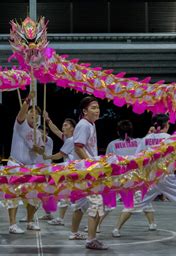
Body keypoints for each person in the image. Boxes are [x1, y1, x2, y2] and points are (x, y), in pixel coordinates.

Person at [112, 114, 176, 239]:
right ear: (165, 125)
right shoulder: (169, 138)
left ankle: (116, 229)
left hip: (150, 178)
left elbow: (138, 157)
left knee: (133, 203)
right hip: (166, 177)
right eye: (168, 124)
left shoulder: (146, 139)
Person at [67, 96, 108, 250]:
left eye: (97, 107)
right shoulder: (84, 125)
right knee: (97, 204)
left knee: (81, 204)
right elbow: (78, 147)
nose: (97, 110)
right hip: (87, 171)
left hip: (83, 170)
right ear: (84, 111)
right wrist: (92, 166)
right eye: (93, 107)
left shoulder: (90, 125)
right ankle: (91, 239)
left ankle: (74, 232)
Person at [107, 120, 157, 238]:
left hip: (119, 178)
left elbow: (108, 162)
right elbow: (147, 143)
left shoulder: (112, 144)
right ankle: (117, 228)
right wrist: (151, 133)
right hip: (136, 178)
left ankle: (152, 223)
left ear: (118, 131)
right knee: (137, 202)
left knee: (109, 203)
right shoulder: (139, 141)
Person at [6, 91, 44, 234]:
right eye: (31, 112)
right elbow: (21, 113)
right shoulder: (20, 125)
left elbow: (41, 151)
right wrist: (28, 100)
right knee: (13, 195)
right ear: (27, 113)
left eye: (36, 113)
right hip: (15, 164)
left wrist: (38, 149)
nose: (34, 115)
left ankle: (29, 221)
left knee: (34, 197)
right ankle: (12, 224)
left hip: (30, 167)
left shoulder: (38, 132)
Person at [42, 114, 76, 226]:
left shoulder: (72, 140)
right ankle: (57, 217)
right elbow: (55, 130)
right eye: (63, 125)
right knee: (64, 194)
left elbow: (60, 155)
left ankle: (95, 221)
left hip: (73, 171)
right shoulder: (68, 138)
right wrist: (47, 119)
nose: (63, 127)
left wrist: (47, 157)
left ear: (72, 128)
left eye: (66, 125)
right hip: (70, 171)